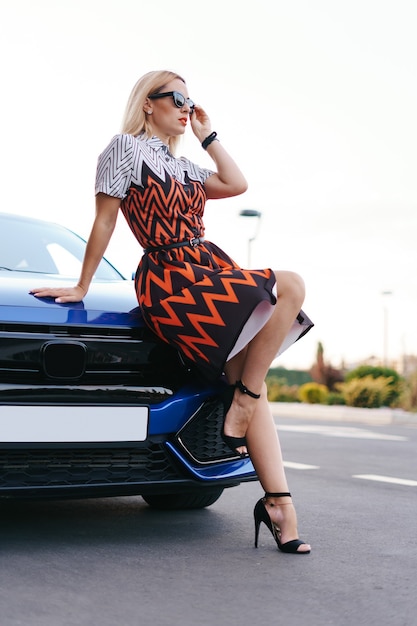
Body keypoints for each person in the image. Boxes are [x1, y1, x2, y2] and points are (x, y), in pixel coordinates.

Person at [31, 70, 313, 554]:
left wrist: (208, 134)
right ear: (148, 103)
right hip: (169, 279)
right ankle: (242, 406)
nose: (186, 106)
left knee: (254, 366)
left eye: (190, 99)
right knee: (288, 287)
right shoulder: (123, 149)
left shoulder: (183, 167)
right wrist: (83, 284)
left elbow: (235, 183)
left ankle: (278, 502)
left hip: (206, 265)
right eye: (178, 98)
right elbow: (104, 218)